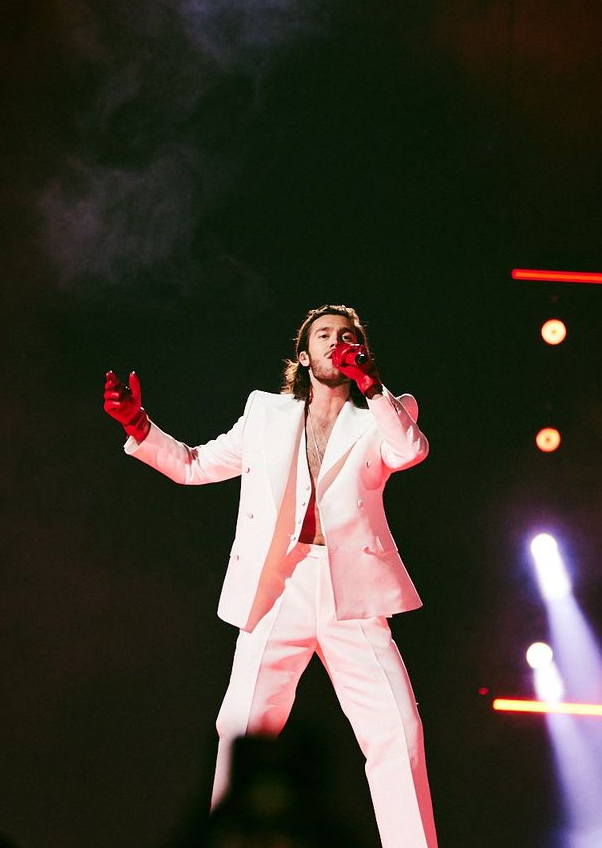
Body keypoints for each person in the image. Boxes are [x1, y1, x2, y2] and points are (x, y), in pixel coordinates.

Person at [104, 304, 438, 848]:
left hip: (350, 594)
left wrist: (372, 387)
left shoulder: (386, 412)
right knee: (241, 728)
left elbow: (409, 450)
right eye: (324, 335)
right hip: (280, 584)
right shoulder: (265, 414)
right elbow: (193, 465)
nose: (337, 342)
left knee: (397, 733)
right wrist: (138, 427)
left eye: (347, 336)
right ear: (304, 356)